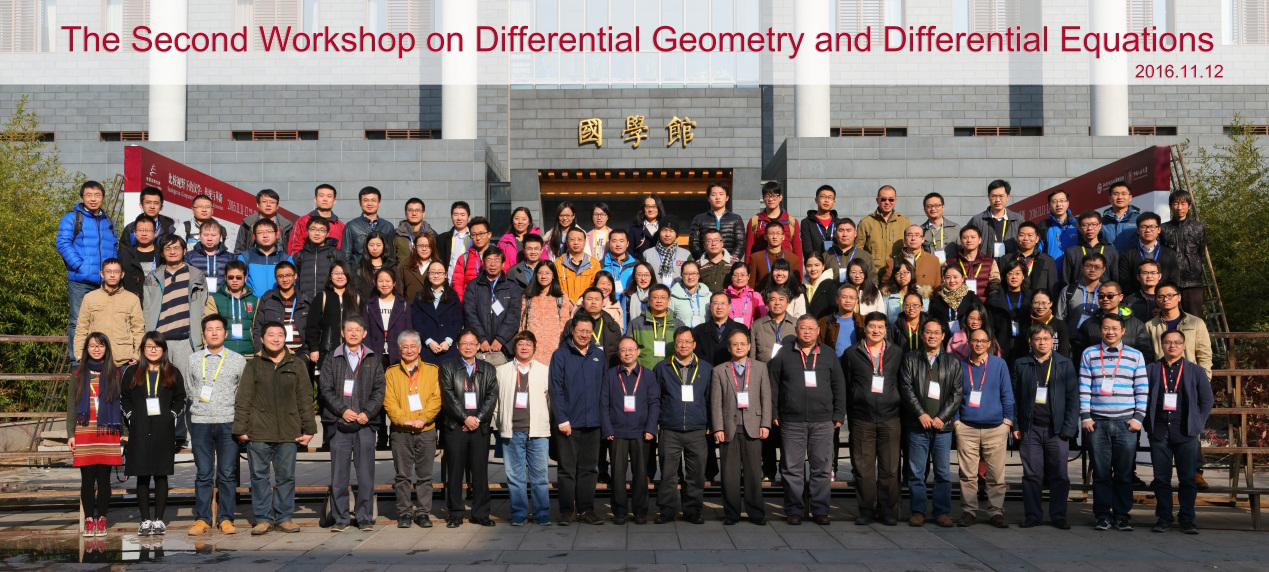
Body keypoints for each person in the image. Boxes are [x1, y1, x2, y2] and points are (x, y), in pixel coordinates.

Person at [233, 321, 316, 536]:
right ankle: (262, 518)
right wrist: (240, 428)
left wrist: (309, 429)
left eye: (280, 334)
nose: (276, 338)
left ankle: (284, 517)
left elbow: (305, 398)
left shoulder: (297, 364)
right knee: (259, 477)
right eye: (271, 334)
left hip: (289, 431)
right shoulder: (254, 365)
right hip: (259, 431)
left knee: (286, 477)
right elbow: (243, 398)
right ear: (262, 339)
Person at [768, 315, 846, 525]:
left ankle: (820, 510)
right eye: (803, 328)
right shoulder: (783, 353)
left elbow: (839, 385)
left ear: (818, 331)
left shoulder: (828, 354)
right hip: (791, 421)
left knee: (821, 469)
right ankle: (794, 510)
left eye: (811, 328)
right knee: (791, 468)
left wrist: (839, 414)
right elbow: (773, 384)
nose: (807, 332)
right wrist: (774, 412)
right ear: (796, 330)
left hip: (823, 421)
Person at [1079, 314, 1149, 531]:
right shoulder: (1089, 353)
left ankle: (1122, 515)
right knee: (1100, 473)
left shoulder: (1135, 355)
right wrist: (1085, 416)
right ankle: (1102, 515)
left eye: (1115, 328)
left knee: (1124, 473)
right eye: (1106, 328)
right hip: (1097, 423)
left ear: (1123, 331)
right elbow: (1084, 386)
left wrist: (1138, 418)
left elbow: (1142, 388)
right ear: (1100, 330)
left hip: (1126, 423)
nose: (1110, 332)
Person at [319, 316, 386, 532]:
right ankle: (341, 517)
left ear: (364, 333)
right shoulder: (332, 357)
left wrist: (368, 413)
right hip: (340, 422)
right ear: (342, 332)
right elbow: (325, 388)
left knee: (365, 474)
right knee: (339, 475)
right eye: (349, 330)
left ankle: (364, 516)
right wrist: (343, 410)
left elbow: (380, 389)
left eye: (358, 330)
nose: (354, 333)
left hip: (365, 424)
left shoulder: (373, 358)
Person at [1011, 323, 1080, 530]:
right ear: (1030, 342)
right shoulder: (1021, 364)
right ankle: (1033, 515)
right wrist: (1016, 424)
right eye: (1037, 339)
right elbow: (1014, 397)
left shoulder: (1064, 363)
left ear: (1053, 341)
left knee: (1059, 475)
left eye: (1046, 338)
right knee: (1031, 475)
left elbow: (1073, 399)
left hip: (1056, 430)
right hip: (1030, 429)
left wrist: (1068, 429)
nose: (1042, 342)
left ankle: (1059, 515)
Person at [1146, 330, 1214, 534]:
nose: (1172, 346)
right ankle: (1164, 518)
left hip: (1186, 432)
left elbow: (1207, 400)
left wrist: (1198, 424)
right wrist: (1147, 424)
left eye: (1177, 342)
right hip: (1159, 431)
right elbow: (1143, 398)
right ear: (1162, 345)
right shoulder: (1151, 369)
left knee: (1188, 479)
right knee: (1161, 478)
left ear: (1183, 346)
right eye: (1168, 342)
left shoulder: (1195, 371)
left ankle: (1187, 519)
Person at [184, 316, 247, 536]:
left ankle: (226, 518)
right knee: (203, 472)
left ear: (225, 333)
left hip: (228, 421)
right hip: (200, 422)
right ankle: (202, 519)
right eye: (209, 329)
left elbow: (242, 392)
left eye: (218, 329)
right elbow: (190, 389)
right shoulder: (193, 359)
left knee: (227, 473)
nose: (214, 333)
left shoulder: (238, 360)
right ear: (203, 335)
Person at [121, 332, 187, 537]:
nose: (153, 350)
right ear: (143, 349)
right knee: (142, 475)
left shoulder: (172, 371)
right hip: (139, 428)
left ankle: (158, 519)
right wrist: (131, 416)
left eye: (157, 346)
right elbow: (124, 398)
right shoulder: (132, 372)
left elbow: (180, 398)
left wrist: (171, 415)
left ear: (163, 349)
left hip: (163, 429)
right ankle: (144, 520)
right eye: (149, 346)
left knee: (161, 474)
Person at [842, 312, 905, 526]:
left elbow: (902, 382)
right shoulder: (852, 353)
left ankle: (886, 510)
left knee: (890, 468)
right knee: (863, 468)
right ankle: (866, 510)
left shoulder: (897, 352)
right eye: (872, 326)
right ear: (865, 328)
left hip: (890, 418)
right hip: (862, 419)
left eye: (880, 327)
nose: (876, 330)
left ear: (886, 329)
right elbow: (847, 384)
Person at [898, 319, 963, 528]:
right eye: (928, 332)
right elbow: (906, 388)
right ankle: (917, 511)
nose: (932, 336)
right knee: (916, 472)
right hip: (917, 425)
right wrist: (921, 414)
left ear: (943, 336)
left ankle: (941, 512)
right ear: (922, 335)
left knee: (943, 473)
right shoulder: (910, 359)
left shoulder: (952, 362)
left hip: (942, 427)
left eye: (936, 332)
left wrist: (942, 417)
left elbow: (957, 393)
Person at [548, 315, 608, 525]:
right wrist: (562, 419)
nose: (584, 334)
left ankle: (586, 510)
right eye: (580, 330)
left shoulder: (598, 354)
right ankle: (566, 511)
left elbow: (604, 388)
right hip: (568, 424)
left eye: (588, 331)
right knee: (567, 470)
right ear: (572, 330)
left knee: (589, 469)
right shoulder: (561, 354)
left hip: (593, 423)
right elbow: (555, 388)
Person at [955, 328, 1015, 528]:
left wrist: (1007, 421)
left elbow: (1007, 393)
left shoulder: (999, 364)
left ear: (989, 344)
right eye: (975, 341)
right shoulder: (960, 365)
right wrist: (956, 421)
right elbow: (954, 394)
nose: (978, 344)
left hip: (995, 427)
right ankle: (968, 511)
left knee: (996, 474)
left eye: (983, 341)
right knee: (968, 474)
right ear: (969, 343)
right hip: (967, 427)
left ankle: (996, 511)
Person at [711, 329, 771, 525]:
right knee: (729, 475)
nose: (739, 347)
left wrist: (765, 423)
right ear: (729, 348)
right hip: (729, 429)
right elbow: (716, 403)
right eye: (735, 344)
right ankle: (731, 513)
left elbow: (766, 398)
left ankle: (756, 513)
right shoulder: (719, 370)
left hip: (753, 428)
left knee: (753, 474)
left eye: (742, 344)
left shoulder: (761, 368)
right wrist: (718, 428)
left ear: (749, 346)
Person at [383, 330, 442, 529]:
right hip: (401, 432)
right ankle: (405, 512)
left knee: (425, 476)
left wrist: (422, 419)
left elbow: (436, 399)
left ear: (419, 348)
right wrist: (403, 420)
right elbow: (389, 401)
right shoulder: (391, 372)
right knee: (402, 476)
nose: (409, 350)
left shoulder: (432, 370)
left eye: (412, 346)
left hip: (426, 430)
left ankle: (423, 512)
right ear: (399, 349)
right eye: (405, 347)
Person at [67, 333, 124, 537]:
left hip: (108, 432)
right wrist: (70, 434)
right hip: (85, 431)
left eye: (100, 346)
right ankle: (89, 519)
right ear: (86, 349)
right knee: (87, 480)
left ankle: (102, 519)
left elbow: (121, 405)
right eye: (92, 346)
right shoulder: (77, 373)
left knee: (105, 479)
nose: (96, 349)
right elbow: (71, 406)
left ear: (106, 349)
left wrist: (124, 434)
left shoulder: (116, 373)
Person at [653, 327, 711, 524]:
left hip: (697, 429)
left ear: (694, 344)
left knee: (696, 474)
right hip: (670, 428)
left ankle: (693, 511)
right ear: (674, 344)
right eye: (679, 341)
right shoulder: (662, 367)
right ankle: (667, 510)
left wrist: (709, 422)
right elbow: (656, 398)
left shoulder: (705, 368)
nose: (683, 345)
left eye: (687, 341)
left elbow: (710, 398)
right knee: (668, 473)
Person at [495, 331, 553, 526]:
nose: (525, 347)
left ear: (534, 347)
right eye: (521, 343)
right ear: (515, 347)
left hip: (538, 432)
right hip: (512, 431)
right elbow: (496, 401)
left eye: (528, 343)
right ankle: (519, 512)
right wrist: (498, 423)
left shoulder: (545, 371)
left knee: (540, 476)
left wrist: (546, 422)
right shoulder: (501, 371)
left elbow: (550, 401)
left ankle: (541, 512)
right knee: (515, 477)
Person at [601, 337, 661, 524]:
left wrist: (651, 428)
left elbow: (655, 403)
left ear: (638, 352)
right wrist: (607, 429)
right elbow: (603, 404)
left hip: (641, 433)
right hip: (616, 433)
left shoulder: (648, 375)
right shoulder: (610, 375)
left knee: (641, 475)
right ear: (619, 353)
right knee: (618, 475)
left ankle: (640, 511)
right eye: (623, 350)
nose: (627, 353)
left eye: (631, 349)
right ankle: (619, 512)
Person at [58, 181, 119, 363]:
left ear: (102, 197)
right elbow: (62, 243)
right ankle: (76, 361)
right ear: (82, 197)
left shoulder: (108, 221)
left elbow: (113, 247)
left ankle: (101, 361)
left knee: (102, 321)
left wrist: (111, 270)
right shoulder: (72, 218)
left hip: (104, 282)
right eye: (89, 195)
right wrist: (79, 266)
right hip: (80, 281)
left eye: (97, 195)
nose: (93, 199)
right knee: (78, 321)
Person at [143, 234, 209, 385]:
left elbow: (203, 307)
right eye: (168, 248)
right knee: (159, 384)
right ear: (162, 252)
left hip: (186, 341)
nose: (172, 252)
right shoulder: (153, 277)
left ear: (184, 251)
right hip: (160, 341)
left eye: (176, 248)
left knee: (185, 384)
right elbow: (146, 309)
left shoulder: (196, 276)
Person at [73, 258, 144, 366]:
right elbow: (82, 328)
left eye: (116, 272)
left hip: (123, 359)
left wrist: (137, 354)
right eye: (108, 271)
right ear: (102, 274)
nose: (112, 275)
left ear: (122, 274)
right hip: (95, 358)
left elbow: (138, 329)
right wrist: (79, 355)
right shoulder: (90, 298)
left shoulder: (132, 299)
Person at [463, 248, 522, 366]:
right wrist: (481, 339)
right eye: (489, 260)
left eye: (497, 260)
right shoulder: (473, 286)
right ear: (483, 263)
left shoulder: (512, 286)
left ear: (503, 263)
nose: (493, 264)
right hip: (480, 347)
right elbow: (470, 314)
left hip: (505, 347)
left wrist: (500, 339)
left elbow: (514, 315)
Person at [1145, 282, 1214, 378]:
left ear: (1179, 297)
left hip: (1190, 377)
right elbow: (1147, 357)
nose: (1166, 299)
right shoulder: (1150, 326)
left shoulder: (1196, 323)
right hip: (1161, 378)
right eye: (1161, 296)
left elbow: (1204, 354)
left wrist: (1204, 379)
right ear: (1156, 299)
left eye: (1170, 295)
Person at [1073, 280, 1153, 361]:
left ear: (1121, 297)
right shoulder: (1088, 324)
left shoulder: (1136, 324)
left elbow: (1145, 354)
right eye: (1101, 296)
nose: (1105, 299)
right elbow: (1079, 355)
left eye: (1110, 296)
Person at [305, 263, 362, 375]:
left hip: (352, 351)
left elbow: (363, 325)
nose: (340, 276)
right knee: (327, 383)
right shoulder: (322, 297)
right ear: (330, 277)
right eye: (336, 273)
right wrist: (314, 348)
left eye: (343, 273)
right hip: (327, 351)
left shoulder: (356, 298)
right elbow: (312, 325)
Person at [1159, 190, 1208, 317]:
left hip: (1193, 282)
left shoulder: (1199, 227)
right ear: (1170, 206)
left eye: (1183, 204)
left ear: (1189, 205)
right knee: (1170, 318)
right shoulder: (1163, 229)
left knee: (1194, 319)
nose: (1179, 207)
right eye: (1175, 204)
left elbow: (1201, 253)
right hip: (1169, 281)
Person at [520, 261, 575, 364]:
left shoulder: (561, 297)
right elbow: (522, 325)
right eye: (540, 273)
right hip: (532, 351)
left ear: (553, 275)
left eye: (547, 273)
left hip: (555, 351)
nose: (543, 276)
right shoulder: (528, 297)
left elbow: (564, 324)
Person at [409, 261, 463, 367]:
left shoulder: (453, 296)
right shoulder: (419, 296)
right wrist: (429, 341)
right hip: (426, 349)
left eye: (439, 272)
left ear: (445, 275)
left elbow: (458, 322)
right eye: (433, 272)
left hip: (448, 349)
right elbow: (417, 322)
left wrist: (448, 341)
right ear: (428, 274)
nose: (436, 275)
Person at [252, 262, 307, 354]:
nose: (285, 279)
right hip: (272, 353)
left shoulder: (305, 300)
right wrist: (259, 350)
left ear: (295, 276)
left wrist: (307, 353)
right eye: (280, 276)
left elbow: (312, 330)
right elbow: (258, 326)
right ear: (275, 278)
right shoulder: (268, 299)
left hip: (299, 353)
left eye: (288, 275)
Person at [205, 261, 258, 357]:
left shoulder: (254, 300)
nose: (234, 280)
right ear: (225, 278)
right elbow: (208, 327)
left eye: (238, 277)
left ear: (245, 278)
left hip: (249, 354)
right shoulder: (215, 299)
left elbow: (258, 329)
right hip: (223, 355)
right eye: (231, 277)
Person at [1118, 212, 1178, 296]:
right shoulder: (1128, 255)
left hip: (1164, 299)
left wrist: (1163, 297)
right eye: (1143, 227)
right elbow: (1124, 281)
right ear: (1137, 230)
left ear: (1159, 230)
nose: (1148, 230)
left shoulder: (1170, 254)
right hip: (1136, 300)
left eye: (1152, 226)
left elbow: (1174, 279)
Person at [858, 185, 912, 276]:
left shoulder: (904, 222)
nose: (887, 202)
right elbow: (859, 250)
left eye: (891, 200)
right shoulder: (866, 222)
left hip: (897, 273)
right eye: (883, 199)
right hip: (873, 273)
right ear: (877, 200)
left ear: (895, 201)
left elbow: (910, 248)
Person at [363, 268, 411, 368]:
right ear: (375, 282)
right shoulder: (369, 304)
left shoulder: (403, 304)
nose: (384, 284)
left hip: (398, 354)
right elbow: (365, 331)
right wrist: (369, 354)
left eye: (388, 281)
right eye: (380, 281)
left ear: (394, 283)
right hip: (375, 354)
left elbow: (408, 331)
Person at [984, 260, 1032, 359]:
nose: (1014, 277)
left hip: (1025, 345)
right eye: (1010, 274)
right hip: (1002, 346)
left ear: (1023, 276)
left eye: (1017, 274)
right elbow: (990, 326)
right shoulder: (995, 299)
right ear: (1005, 276)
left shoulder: (1031, 298)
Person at [293, 216, 346, 304]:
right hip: (305, 304)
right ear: (307, 231)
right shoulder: (299, 256)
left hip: (330, 303)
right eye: (313, 229)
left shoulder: (337, 255)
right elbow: (295, 282)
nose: (317, 233)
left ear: (327, 233)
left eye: (322, 230)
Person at [452, 217, 508, 301]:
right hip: (471, 302)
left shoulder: (499, 255)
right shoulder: (464, 258)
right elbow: (457, 284)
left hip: (494, 301)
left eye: (481, 233)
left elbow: (505, 279)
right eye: (474, 234)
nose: (478, 238)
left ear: (489, 234)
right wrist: (462, 303)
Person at [630, 285, 685, 370]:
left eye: (663, 297)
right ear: (649, 300)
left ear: (669, 300)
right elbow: (628, 349)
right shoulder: (636, 323)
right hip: (644, 372)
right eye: (655, 297)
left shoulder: (678, 324)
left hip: (671, 371)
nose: (659, 301)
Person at [744, 181, 802, 260]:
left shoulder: (791, 222)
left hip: (785, 265)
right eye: (767, 196)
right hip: (762, 265)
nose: (770, 199)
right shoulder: (755, 222)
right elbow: (749, 251)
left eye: (774, 196)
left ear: (780, 197)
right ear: (763, 198)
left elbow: (797, 251)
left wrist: (798, 268)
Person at [967, 179, 1024, 258]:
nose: (997, 200)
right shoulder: (978, 220)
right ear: (988, 197)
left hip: (1011, 264)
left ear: (1008, 197)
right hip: (985, 264)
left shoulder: (1017, 219)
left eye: (1001, 196)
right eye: (993, 196)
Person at [688, 183, 746, 261]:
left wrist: (731, 261)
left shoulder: (736, 219)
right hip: (705, 263)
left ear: (727, 197)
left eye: (721, 194)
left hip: (730, 263)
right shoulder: (699, 219)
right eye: (713, 195)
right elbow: (694, 243)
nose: (717, 197)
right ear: (708, 198)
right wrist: (703, 261)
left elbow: (740, 243)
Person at [1055, 253, 1109, 332]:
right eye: (1088, 266)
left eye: (1097, 267)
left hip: (1098, 338)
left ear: (1103, 269)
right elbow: (1059, 320)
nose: (1092, 270)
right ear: (1082, 267)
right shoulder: (1068, 291)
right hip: (1072, 338)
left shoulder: (1108, 293)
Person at [1063, 210, 1119, 286]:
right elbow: (1066, 280)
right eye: (1085, 225)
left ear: (1100, 226)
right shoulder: (1071, 252)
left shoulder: (1110, 251)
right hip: (1078, 292)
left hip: (1103, 292)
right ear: (1079, 227)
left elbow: (1115, 279)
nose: (1090, 228)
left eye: (1094, 224)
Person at [693, 292, 750, 367]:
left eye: (723, 303)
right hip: (706, 371)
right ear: (710, 307)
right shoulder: (699, 330)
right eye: (715, 303)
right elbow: (697, 355)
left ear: (729, 307)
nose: (719, 307)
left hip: (733, 371)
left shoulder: (741, 329)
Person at [237, 218, 292, 295]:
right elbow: (238, 283)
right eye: (260, 232)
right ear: (254, 236)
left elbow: (292, 284)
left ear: (276, 234)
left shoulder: (285, 258)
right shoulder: (245, 257)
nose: (265, 235)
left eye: (269, 231)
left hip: (278, 301)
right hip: (252, 301)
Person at [1002, 221, 1059, 296]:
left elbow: (1053, 289)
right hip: (1012, 301)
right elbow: (1002, 285)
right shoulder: (1006, 259)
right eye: (1022, 235)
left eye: (1030, 235)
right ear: (1017, 238)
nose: (1026, 238)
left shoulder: (1048, 261)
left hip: (1038, 301)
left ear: (1037, 239)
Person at [288, 184, 344, 254]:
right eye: (321, 196)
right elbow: (294, 248)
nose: (325, 199)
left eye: (329, 196)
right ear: (315, 199)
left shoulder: (340, 226)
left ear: (334, 201)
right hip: (307, 260)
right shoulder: (303, 221)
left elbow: (342, 251)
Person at [929, 265, 982, 338]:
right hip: (944, 341)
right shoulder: (937, 301)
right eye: (948, 277)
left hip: (968, 340)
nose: (952, 281)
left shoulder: (972, 298)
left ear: (962, 278)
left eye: (955, 277)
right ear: (944, 279)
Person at [235, 189, 292, 256]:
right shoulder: (247, 223)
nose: (268, 205)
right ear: (257, 204)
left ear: (277, 206)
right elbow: (239, 250)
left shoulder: (286, 226)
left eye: (272, 202)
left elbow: (291, 251)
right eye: (264, 201)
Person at [575, 287, 623, 366]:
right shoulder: (572, 325)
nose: (593, 302)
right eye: (589, 299)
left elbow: (619, 350)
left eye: (597, 299)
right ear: (583, 303)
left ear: (603, 303)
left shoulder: (612, 325)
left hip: (607, 368)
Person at [1018, 290, 1072, 359]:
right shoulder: (1026, 324)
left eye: (1044, 303)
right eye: (1036, 303)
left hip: (1055, 364)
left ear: (1051, 304)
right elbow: (1021, 351)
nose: (1040, 307)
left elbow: (1064, 353)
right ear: (1031, 303)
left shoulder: (1060, 325)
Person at [747, 223, 801, 291]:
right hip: (762, 296)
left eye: (778, 233)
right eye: (771, 233)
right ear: (765, 236)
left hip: (787, 296)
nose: (775, 237)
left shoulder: (793, 259)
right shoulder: (755, 258)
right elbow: (750, 285)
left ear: (783, 237)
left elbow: (796, 285)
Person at [750, 288, 797, 364]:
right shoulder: (756, 326)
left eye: (781, 299)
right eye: (773, 299)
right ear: (767, 303)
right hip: (764, 369)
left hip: (790, 368)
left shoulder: (797, 324)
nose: (777, 303)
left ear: (788, 303)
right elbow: (752, 356)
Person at [953, 226, 1000, 300]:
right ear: (961, 241)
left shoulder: (990, 262)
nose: (969, 240)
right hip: (958, 304)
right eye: (965, 238)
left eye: (973, 237)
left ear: (980, 240)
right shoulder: (951, 263)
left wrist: (991, 303)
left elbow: (995, 286)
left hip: (983, 305)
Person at [555, 227, 602, 303]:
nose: (576, 243)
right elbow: (556, 288)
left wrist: (580, 302)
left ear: (585, 242)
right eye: (572, 239)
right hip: (565, 306)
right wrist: (567, 303)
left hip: (586, 305)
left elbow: (595, 286)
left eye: (579, 239)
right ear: (567, 242)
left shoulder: (594, 263)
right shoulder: (558, 264)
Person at [822, 218, 875, 284]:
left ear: (855, 233)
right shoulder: (826, 256)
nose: (845, 234)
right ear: (835, 234)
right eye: (841, 230)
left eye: (848, 230)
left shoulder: (865, 256)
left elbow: (873, 280)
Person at [186, 221, 232, 295]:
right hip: (196, 297)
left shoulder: (230, 258)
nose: (209, 238)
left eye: (213, 235)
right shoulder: (189, 256)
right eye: (206, 235)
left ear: (220, 236)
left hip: (221, 297)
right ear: (200, 235)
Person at [119, 216, 159, 297]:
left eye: (148, 230)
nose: (144, 234)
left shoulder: (162, 254)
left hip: (156, 300)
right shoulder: (125, 255)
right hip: (132, 301)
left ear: (155, 233)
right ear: (135, 233)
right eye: (140, 230)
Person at [1041, 189, 1078, 275]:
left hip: (1074, 274)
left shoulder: (1077, 224)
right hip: (1052, 274)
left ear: (1067, 203)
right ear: (1049, 205)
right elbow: (1039, 252)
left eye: (1062, 201)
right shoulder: (1043, 226)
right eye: (1054, 202)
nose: (1058, 204)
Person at [820, 284, 862, 359]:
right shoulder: (824, 322)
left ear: (856, 301)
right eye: (844, 297)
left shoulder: (863, 321)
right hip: (833, 364)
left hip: (856, 364)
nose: (848, 301)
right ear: (837, 299)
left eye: (852, 298)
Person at [882, 259, 929, 324]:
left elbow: (925, 319)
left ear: (911, 273)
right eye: (898, 273)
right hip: (894, 330)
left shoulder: (921, 293)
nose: (902, 276)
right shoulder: (888, 294)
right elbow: (884, 320)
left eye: (905, 272)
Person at [800, 185, 840, 260]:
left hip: (836, 263)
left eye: (830, 197)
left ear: (834, 202)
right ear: (816, 200)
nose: (826, 200)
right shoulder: (807, 222)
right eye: (823, 196)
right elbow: (807, 249)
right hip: (816, 263)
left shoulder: (839, 223)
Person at [354, 231, 396, 302]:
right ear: (366, 246)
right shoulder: (360, 268)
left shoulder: (391, 265)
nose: (375, 248)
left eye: (378, 245)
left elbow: (398, 290)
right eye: (371, 245)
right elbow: (356, 291)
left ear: (384, 246)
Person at [400, 231, 441, 302]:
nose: (424, 249)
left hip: (432, 306)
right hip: (411, 306)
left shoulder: (438, 266)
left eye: (427, 246)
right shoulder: (406, 265)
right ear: (415, 247)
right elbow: (399, 290)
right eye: (421, 246)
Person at [392, 198, 435, 264]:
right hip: (402, 270)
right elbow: (391, 260)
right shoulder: (396, 234)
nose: (414, 213)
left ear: (423, 214)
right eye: (410, 210)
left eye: (418, 210)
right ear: (405, 213)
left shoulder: (432, 234)